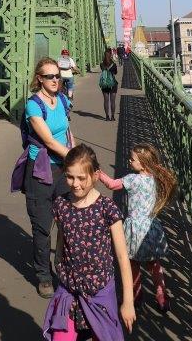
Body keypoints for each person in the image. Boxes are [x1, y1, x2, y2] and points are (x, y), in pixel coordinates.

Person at [43, 144, 136, 340]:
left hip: (99, 291)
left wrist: (128, 302)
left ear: (96, 175)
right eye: (70, 177)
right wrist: (59, 263)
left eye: (81, 178)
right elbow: (62, 238)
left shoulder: (107, 208)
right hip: (69, 289)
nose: (75, 184)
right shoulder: (61, 204)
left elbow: (122, 256)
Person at [98, 143, 177, 312]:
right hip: (151, 227)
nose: (129, 161)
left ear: (142, 163)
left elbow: (112, 185)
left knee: (132, 263)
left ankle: (136, 295)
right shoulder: (156, 178)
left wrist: (99, 173)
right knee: (154, 264)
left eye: (132, 159)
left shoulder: (132, 179)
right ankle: (162, 297)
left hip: (135, 229)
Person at [21, 58, 74, 298]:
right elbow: (50, 141)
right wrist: (79, 159)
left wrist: (76, 152)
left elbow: (67, 132)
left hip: (63, 169)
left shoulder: (62, 100)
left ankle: (63, 267)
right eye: (50, 76)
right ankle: (44, 276)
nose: (55, 80)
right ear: (39, 79)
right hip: (41, 171)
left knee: (68, 221)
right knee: (42, 226)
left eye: (58, 76)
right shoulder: (33, 106)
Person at [99, 48, 118, 121]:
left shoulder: (101, 64)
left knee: (106, 101)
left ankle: (107, 117)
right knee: (112, 101)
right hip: (113, 84)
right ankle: (112, 117)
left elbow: (103, 70)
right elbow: (115, 73)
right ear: (110, 55)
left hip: (104, 84)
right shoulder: (114, 64)